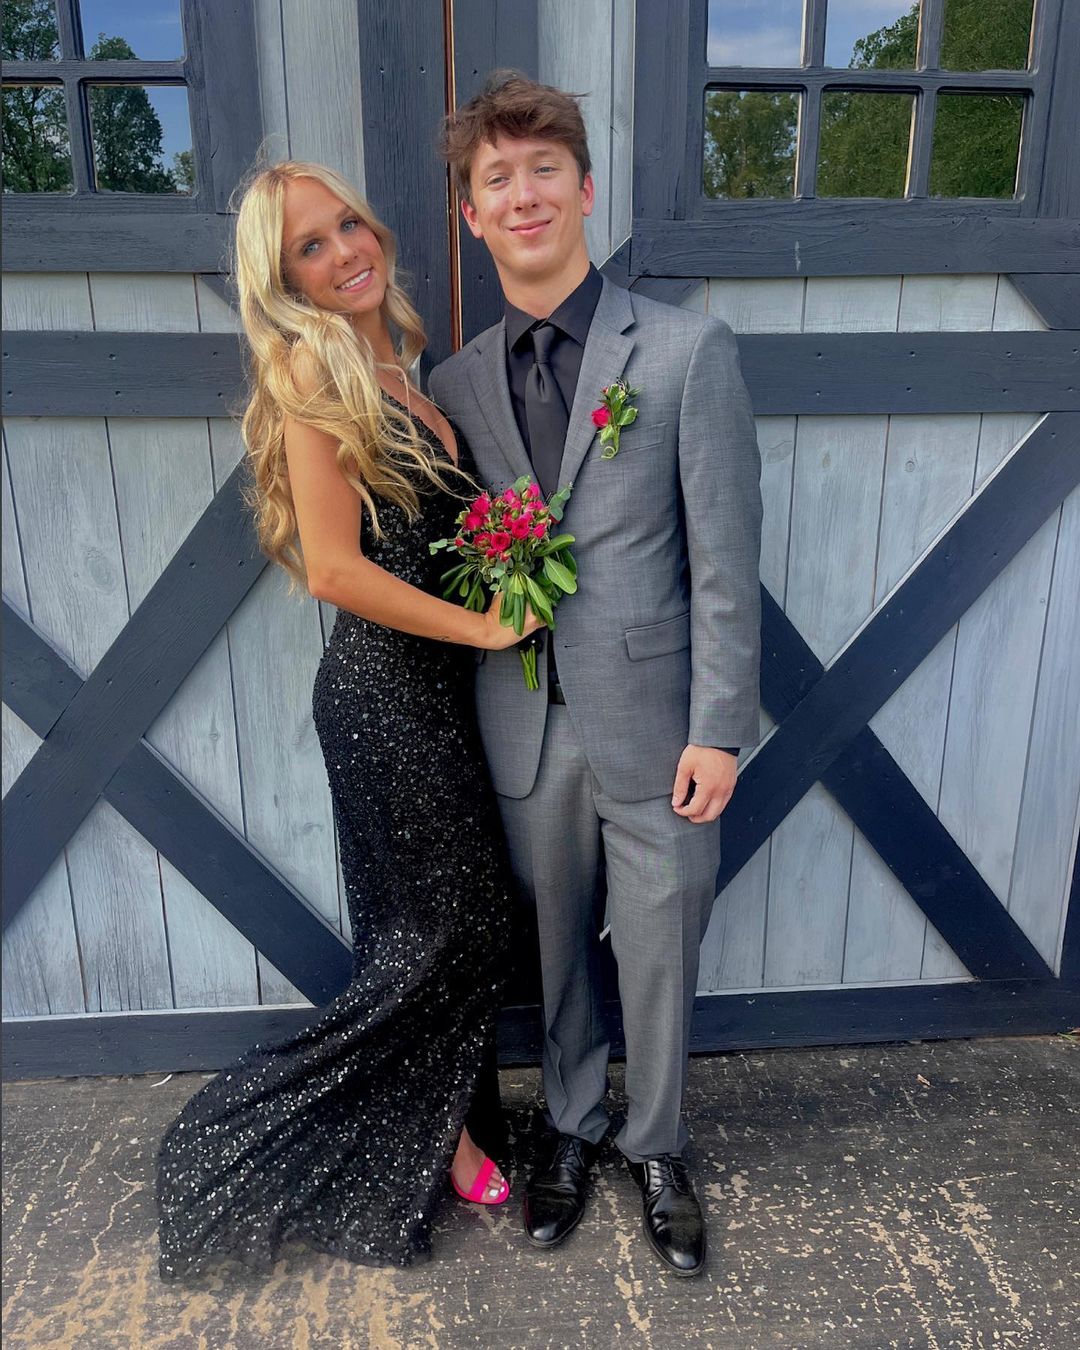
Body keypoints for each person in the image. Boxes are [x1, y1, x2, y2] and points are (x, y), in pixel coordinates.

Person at [156, 160, 541, 1278]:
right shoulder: (309, 376)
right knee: (454, 926)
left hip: (432, 693)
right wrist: (483, 630)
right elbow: (331, 567)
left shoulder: (400, 371)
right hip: (385, 696)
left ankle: (442, 1121)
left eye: (346, 226)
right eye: (310, 249)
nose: (344, 253)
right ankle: (257, 1125)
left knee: (433, 928)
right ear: (285, 284)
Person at [429, 73, 762, 1277]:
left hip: (661, 723)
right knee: (557, 944)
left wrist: (721, 726)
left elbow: (726, 556)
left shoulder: (681, 351)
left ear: (582, 188)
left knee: (663, 939)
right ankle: (568, 1127)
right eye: (497, 179)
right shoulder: (454, 386)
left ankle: (658, 1142)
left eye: (543, 171)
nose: (522, 196)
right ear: (472, 214)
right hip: (521, 724)